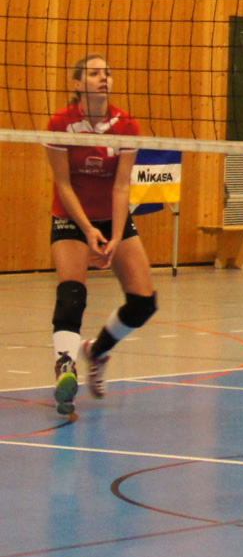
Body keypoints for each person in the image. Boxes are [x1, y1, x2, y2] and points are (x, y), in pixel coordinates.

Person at [45, 55, 157, 416]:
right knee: (72, 293)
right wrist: (89, 229)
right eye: (94, 73)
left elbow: (122, 186)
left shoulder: (126, 124)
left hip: (112, 216)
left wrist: (116, 236)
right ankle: (65, 365)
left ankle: (96, 351)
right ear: (78, 84)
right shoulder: (60, 124)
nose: (103, 78)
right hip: (72, 216)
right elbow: (63, 184)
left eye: (107, 72)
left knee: (143, 302)